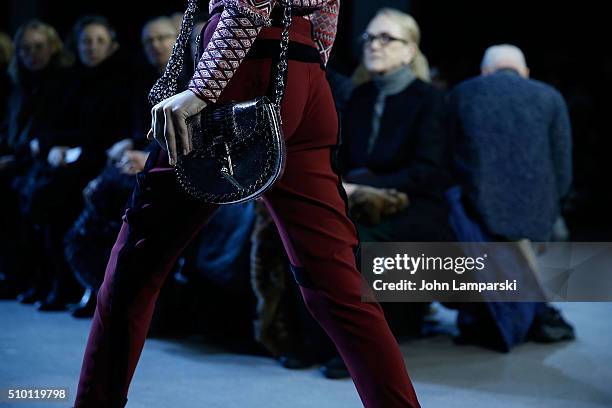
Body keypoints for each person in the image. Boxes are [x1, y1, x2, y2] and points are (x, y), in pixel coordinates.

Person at [73, 1, 421, 407]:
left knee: (133, 270)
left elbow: (248, 3)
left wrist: (204, 86)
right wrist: (309, 61)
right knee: (337, 285)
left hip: (241, 70)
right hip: (303, 73)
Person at [446, 44, 575, 350]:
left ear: (485, 72)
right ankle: (534, 315)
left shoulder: (463, 93)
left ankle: (500, 318)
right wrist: (557, 203)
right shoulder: (550, 97)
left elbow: (449, 153)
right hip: (537, 207)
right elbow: (562, 160)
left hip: (478, 208)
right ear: (525, 72)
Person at [0, 20, 73, 302]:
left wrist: (15, 158)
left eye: (39, 47)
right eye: (26, 49)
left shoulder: (64, 82)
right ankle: (18, 274)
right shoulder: (20, 86)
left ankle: (46, 278)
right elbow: (13, 132)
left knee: (36, 193)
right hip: (22, 159)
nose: (33, 54)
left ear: (53, 47)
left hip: (48, 158)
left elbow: (49, 132)